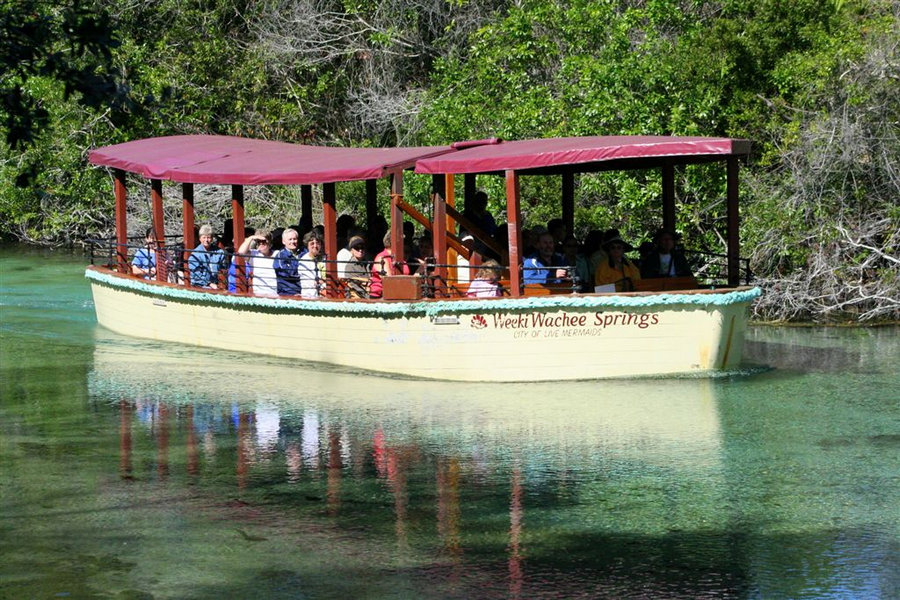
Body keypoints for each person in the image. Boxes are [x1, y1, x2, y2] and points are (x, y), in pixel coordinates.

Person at [370, 231, 410, 298]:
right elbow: (389, 281)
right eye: (402, 241)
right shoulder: (382, 258)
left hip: (400, 294)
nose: (403, 244)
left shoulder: (400, 257)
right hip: (381, 297)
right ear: (393, 242)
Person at [188, 224, 226, 289]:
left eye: (208, 237)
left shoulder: (219, 252)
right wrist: (209, 284)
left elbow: (223, 269)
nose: (206, 240)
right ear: (200, 238)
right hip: (200, 285)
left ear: (212, 238)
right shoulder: (195, 255)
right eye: (204, 237)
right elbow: (196, 275)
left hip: (216, 283)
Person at [297, 231, 326, 298]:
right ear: (307, 245)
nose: (315, 246)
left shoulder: (325, 259)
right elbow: (311, 283)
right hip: (309, 296)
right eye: (312, 243)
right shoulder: (303, 261)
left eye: (317, 243)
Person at [274, 228, 302, 295]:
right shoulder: (280, 256)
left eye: (294, 239)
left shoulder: (303, 253)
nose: (293, 242)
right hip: (287, 292)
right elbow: (286, 273)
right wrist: (302, 274)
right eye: (290, 239)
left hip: (304, 291)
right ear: (283, 241)